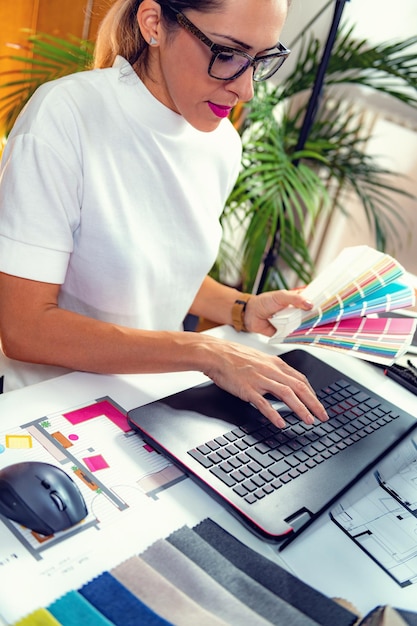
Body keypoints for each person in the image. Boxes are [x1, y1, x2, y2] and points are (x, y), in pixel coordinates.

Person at [0, 0, 328, 428]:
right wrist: (203, 352)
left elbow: (161, 270)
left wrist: (242, 307)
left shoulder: (222, 144)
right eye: (227, 54)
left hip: (152, 402)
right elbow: (25, 329)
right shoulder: (65, 116)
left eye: (262, 60)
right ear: (154, 23)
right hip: (50, 413)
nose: (246, 89)